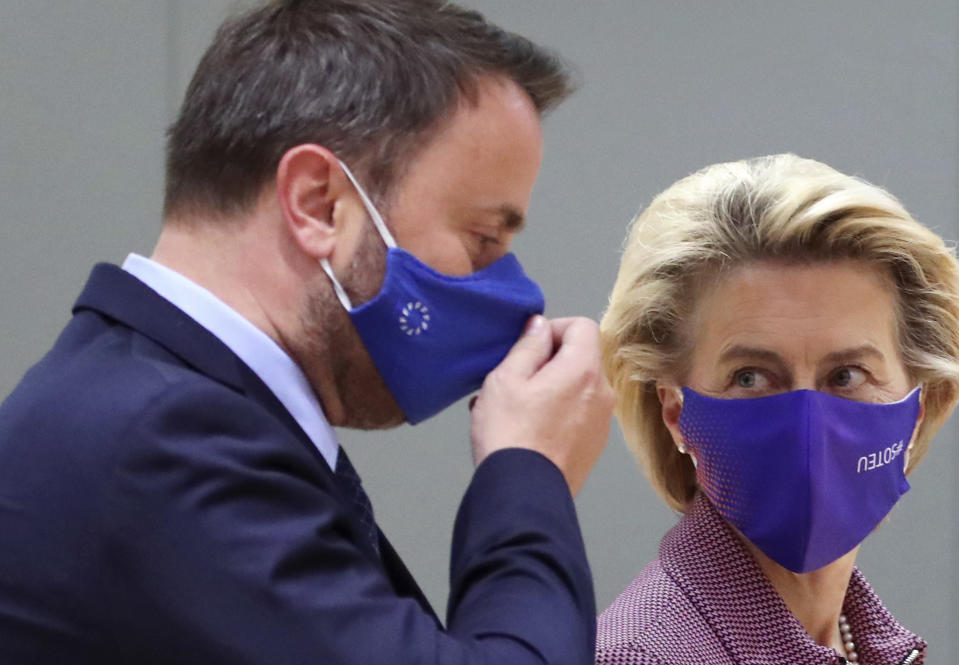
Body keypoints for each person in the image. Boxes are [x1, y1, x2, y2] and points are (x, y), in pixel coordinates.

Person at [0, 1, 615, 663]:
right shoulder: (166, 440)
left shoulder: (163, 402)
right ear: (319, 202)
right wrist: (528, 471)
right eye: (483, 237)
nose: (515, 296)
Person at [596, 154, 959, 665]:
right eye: (750, 377)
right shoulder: (637, 656)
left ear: (918, 405)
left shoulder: (862, 644)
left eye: (847, 376)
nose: (807, 427)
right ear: (675, 410)